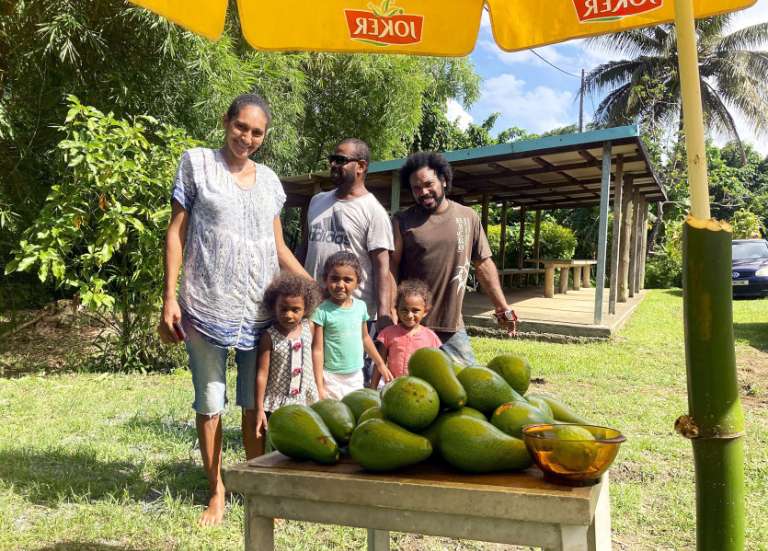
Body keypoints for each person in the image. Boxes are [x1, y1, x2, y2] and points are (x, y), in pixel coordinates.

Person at [157, 93, 309, 527]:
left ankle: (256, 489)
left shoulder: (270, 182)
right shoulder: (196, 164)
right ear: (226, 121)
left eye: (257, 132)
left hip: (260, 312)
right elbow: (176, 234)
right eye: (241, 126)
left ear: (265, 136)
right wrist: (169, 296)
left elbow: (278, 247)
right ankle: (217, 492)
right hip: (206, 305)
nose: (247, 137)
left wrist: (314, 290)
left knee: (254, 404)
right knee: (210, 403)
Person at [391, 151, 517, 367]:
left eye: (428, 184)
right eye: (416, 188)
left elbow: (484, 264)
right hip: (412, 325)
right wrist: (391, 311)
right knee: (409, 389)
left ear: (444, 180)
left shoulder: (468, 217)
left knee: (469, 387)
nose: (423, 192)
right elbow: (390, 269)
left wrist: (502, 307)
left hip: (451, 327)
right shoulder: (403, 221)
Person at [299, 138, 394, 382]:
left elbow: (382, 267)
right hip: (314, 305)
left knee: (349, 374)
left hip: (351, 312)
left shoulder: (373, 211)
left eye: (340, 160)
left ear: (361, 166)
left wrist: (383, 314)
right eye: (332, 159)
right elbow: (305, 246)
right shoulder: (317, 201)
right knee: (314, 370)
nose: (333, 164)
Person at [311, 251, 393, 399]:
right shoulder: (321, 311)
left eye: (347, 280)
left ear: (357, 282)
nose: (340, 285)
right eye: (334, 279)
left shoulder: (360, 307)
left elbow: (365, 338)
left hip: (355, 376)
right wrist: (319, 385)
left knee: (354, 414)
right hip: (331, 377)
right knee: (332, 417)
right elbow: (317, 349)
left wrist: (380, 364)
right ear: (325, 279)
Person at [254, 273, 323, 442]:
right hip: (278, 402)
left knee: (305, 439)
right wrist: (259, 408)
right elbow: (262, 374)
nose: (289, 315)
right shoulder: (269, 336)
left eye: (295, 310)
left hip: (305, 398)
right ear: (274, 307)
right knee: (282, 444)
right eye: (283, 309)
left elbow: (316, 355)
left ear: (306, 308)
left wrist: (320, 386)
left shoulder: (309, 327)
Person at [370, 279, 442, 389]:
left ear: (425, 312)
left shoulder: (431, 338)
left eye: (415, 310)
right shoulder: (388, 333)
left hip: (420, 389)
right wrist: (372, 388)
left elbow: (436, 368)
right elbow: (379, 363)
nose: (409, 315)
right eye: (404, 310)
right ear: (396, 309)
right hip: (393, 387)